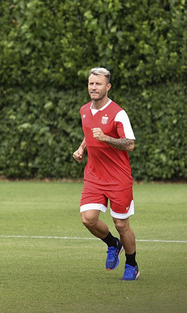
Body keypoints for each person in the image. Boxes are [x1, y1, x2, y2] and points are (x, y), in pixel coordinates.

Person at [73, 67, 139, 281]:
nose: (93, 87)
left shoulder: (118, 113)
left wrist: (107, 139)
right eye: (91, 83)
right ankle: (113, 244)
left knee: (122, 224)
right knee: (88, 219)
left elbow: (129, 144)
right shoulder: (84, 110)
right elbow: (89, 133)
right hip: (94, 175)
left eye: (98, 84)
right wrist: (82, 148)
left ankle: (132, 264)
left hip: (118, 178)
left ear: (107, 87)